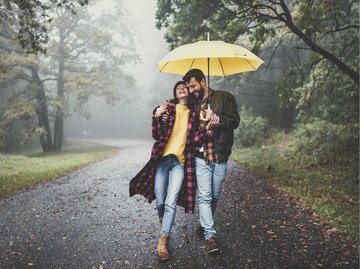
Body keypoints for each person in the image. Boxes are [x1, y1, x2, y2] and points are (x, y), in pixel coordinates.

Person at [129, 81, 217, 261]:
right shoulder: (167, 109)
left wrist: (208, 128)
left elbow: (193, 140)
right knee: (160, 202)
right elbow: (156, 134)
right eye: (178, 88)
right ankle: (164, 225)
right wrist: (156, 116)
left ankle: (163, 240)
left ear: (187, 92)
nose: (181, 89)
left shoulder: (193, 114)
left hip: (179, 163)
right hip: (162, 161)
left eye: (184, 87)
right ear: (175, 93)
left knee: (170, 202)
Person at [183, 68, 240, 254]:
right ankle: (210, 236)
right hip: (201, 158)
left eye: (193, 86)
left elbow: (235, 121)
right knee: (205, 197)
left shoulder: (225, 97)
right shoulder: (192, 104)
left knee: (214, 196)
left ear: (202, 81)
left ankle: (204, 223)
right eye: (189, 87)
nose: (191, 90)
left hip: (220, 156)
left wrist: (217, 118)